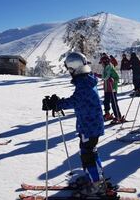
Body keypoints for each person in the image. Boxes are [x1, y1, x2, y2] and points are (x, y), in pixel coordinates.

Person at [45, 52, 108, 197]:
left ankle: (96, 184)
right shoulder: (86, 81)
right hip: (90, 124)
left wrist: (56, 104)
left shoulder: (84, 84)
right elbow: (78, 100)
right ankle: (94, 177)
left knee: (88, 154)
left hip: (89, 126)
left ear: (74, 68)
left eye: (70, 69)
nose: (69, 72)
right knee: (89, 151)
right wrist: (58, 102)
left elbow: (76, 101)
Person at [99, 55, 123, 124]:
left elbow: (117, 78)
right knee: (106, 102)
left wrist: (113, 79)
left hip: (112, 88)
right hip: (107, 88)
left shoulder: (110, 68)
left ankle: (118, 116)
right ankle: (107, 113)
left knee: (114, 103)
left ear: (105, 62)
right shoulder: (105, 68)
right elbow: (104, 77)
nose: (102, 65)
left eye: (102, 63)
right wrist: (97, 75)